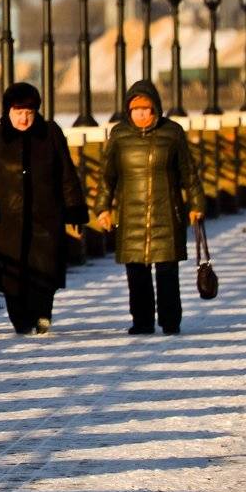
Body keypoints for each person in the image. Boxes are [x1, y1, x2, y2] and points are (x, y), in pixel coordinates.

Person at [0, 82, 88, 335]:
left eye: (29, 113)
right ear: (8, 111)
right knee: (11, 278)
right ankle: (20, 320)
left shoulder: (50, 133)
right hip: (7, 222)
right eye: (19, 112)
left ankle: (43, 317)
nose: (24, 118)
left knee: (44, 272)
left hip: (46, 219)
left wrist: (75, 209)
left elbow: (67, 175)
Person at [95, 79, 207, 335]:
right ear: (128, 110)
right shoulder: (120, 135)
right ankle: (142, 321)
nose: (141, 114)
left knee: (167, 272)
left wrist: (197, 204)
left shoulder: (172, 133)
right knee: (137, 274)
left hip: (167, 213)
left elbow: (188, 173)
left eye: (146, 109)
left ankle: (170, 321)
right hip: (130, 215)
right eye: (136, 109)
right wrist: (102, 207)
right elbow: (106, 176)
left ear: (156, 108)